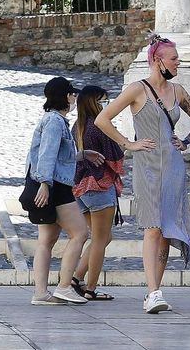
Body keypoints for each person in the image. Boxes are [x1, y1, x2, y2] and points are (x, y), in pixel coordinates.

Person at [96, 36, 190, 314]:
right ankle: (152, 292)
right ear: (158, 61)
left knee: (167, 230)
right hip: (146, 167)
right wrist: (128, 144)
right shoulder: (137, 89)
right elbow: (102, 119)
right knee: (153, 228)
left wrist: (187, 141)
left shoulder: (178, 91)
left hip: (173, 167)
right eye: (174, 58)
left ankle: (157, 291)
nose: (178, 62)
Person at [25, 76, 90, 306]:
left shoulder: (53, 120)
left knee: (47, 240)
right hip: (56, 186)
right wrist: (44, 183)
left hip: (51, 184)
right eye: (72, 93)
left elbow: (57, 156)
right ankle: (64, 286)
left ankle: (41, 293)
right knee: (80, 233)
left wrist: (81, 155)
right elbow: (47, 154)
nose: (74, 97)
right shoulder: (54, 121)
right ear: (64, 96)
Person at [69, 84, 122, 302]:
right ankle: (91, 288)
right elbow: (115, 156)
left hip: (80, 188)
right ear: (94, 102)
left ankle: (77, 277)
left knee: (102, 236)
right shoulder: (100, 126)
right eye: (103, 100)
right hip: (99, 186)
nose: (106, 105)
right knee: (100, 239)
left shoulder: (77, 126)